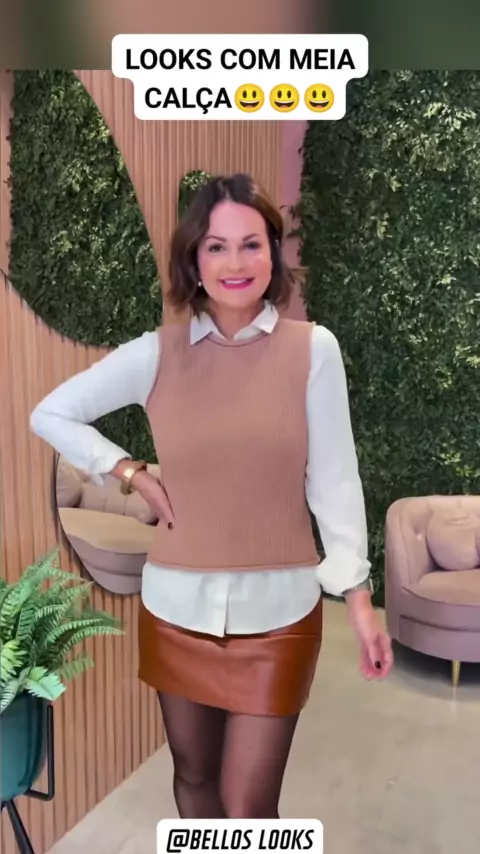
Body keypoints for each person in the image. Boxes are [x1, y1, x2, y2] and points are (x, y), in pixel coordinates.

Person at [30, 172, 393, 820]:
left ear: (272, 253)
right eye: (216, 247)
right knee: (194, 779)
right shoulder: (156, 354)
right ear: (193, 260)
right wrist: (129, 471)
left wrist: (360, 600)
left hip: (281, 613)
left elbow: (335, 479)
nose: (235, 262)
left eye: (251, 244)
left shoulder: (313, 351)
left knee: (249, 804)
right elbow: (52, 413)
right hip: (175, 608)